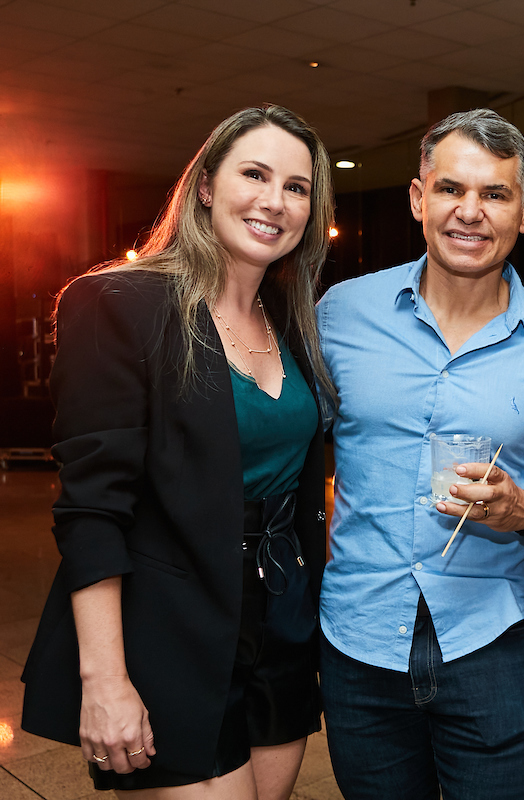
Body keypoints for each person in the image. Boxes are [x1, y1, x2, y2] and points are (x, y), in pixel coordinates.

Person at [20, 105, 335, 798]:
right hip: (170, 629)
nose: (273, 201)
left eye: (296, 187)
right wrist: (104, 680)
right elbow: (91, 511)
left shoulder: (292, 320)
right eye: (254, 174)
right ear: (204, 186)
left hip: (280, 621)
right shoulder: (119, 303)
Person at [316, 109, 524, 800]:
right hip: (358, 635)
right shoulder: (341, 315)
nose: (470, 212)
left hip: (490, 640)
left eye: (494, 194)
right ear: (418, 198)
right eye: (450, 190)